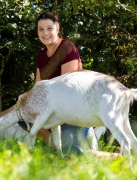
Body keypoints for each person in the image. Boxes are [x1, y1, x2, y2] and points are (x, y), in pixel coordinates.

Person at [34, 11, 89, 155]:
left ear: (57, 28)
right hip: (55, 110)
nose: (45, 33)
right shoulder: (41, 54)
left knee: (72, 153)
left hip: (76, 109)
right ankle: (114, 156)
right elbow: (38, 87)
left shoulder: (67, 48)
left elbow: (66, 87)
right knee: (53, 152)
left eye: (49, 28)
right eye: (41, 29)